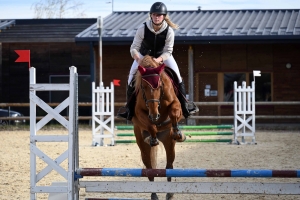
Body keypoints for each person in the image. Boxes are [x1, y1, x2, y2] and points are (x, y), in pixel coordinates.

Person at [118, 2, 199, 120]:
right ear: (151, 15)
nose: (157, 17)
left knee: (178, 75)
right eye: (155, 15)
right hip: (143, 56)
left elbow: (168, 51)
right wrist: (139, 59)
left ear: (164, 16)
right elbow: (134, 47)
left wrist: (159, 59)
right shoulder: (143, 28)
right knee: (131, 77)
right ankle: (129, 109)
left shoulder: (169, 31)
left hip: (163, 56)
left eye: (159, 15)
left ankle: (185, 105)